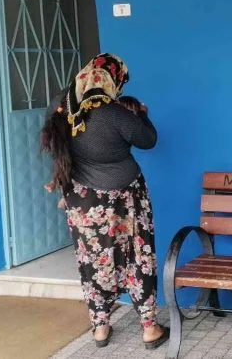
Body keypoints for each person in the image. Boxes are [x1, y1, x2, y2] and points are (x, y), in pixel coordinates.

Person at [40, 53, 169, 350]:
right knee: (137, 257)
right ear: (112, 80)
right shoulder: (114, 112)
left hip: (83, 200)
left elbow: (57, 144)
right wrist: (142, 114)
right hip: (127, 198)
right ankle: (149, 328)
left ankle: (100, 327)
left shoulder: (61, 106)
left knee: (93, 260)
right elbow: (149, 140)